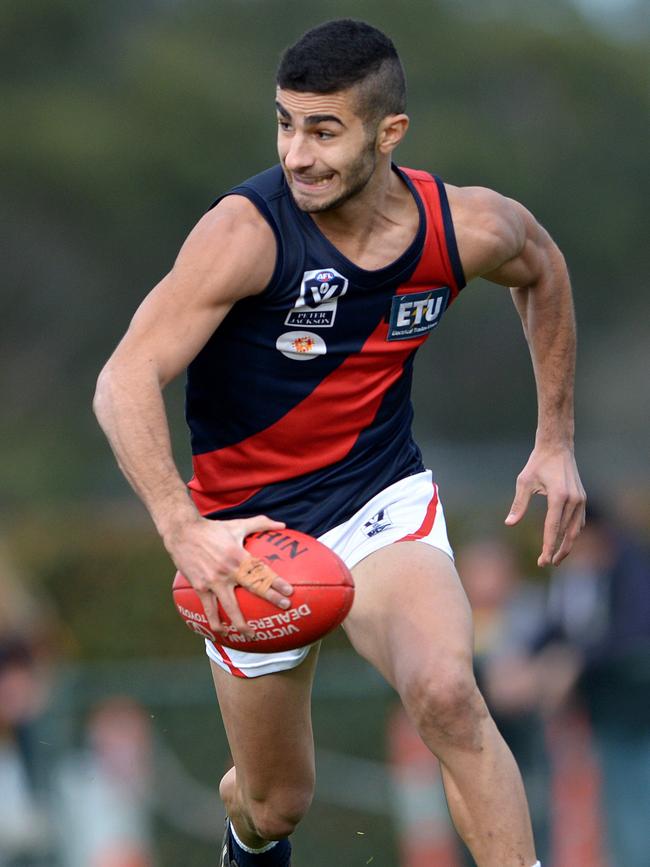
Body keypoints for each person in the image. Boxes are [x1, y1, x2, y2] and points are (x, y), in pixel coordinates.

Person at [93, 19, 586, 867]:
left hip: (378, 503)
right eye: (286, 123)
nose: (298, 153)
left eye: (324, 129)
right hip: (250, 542)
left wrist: (557, 438)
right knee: (277, 801)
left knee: (446, 693)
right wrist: (182, 528)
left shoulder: (459, 227)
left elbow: (542, 265)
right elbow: (123, 379)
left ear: (388, 133)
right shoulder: (246, 234)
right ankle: (244, 822)